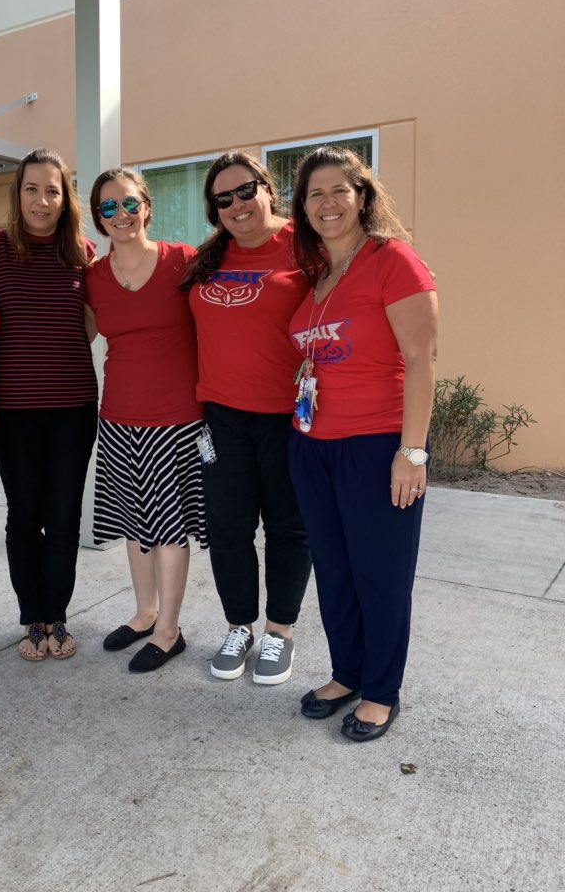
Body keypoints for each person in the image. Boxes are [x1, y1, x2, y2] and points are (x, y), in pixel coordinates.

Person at [287, 145, 438, 741]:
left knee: (380, 572)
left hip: (377, 445)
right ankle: (347, 672)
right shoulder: (320, 274)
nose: (327, 203)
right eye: (314, 194)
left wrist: (413, 451)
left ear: (362, 196)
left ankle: (381, 689)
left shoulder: (392, 260)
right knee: (335, 569)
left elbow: (422, 359)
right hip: (312, 445)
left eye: (338, 191)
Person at [182, 151, 314, 685]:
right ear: (214, 210)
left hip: (289, 419)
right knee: (228, 528)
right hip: (222, 418)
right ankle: (240, 625)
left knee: (288, 528)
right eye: (223, 198)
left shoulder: (308, 247)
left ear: (268, 188)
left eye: (246, 190)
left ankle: (279, 631)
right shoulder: (208, 260)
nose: (237, 204)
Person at [0, 149, 98, 662]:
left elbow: (88, 324)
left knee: (63, 514)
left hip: (72, 406)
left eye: (53, 190)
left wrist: (55, 353)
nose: (42, 200)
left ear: (65, 197)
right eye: (32, 189)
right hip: (15, 411)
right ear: (17, 194)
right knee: (24, 515)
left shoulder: (82, 252)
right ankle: (31, 618)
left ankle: (58, 615)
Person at [86, 168, 207, 672]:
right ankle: (144, 612)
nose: (120, 214)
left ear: (147, 207)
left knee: (169, 527)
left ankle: (169, 629)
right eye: (108, 207)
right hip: (117, 417)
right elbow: (80, 338)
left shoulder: (184, 261)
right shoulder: (91, 277)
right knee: (137, 523)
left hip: (176, 419)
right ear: (97, 218)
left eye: (129, 203)